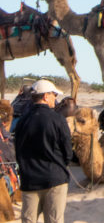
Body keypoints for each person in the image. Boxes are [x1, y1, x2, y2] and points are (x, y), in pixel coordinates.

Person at [13, 79, 72, 223]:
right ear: (46, 96)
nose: (55, 98)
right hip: (55, 179)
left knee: (28, 220)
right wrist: (61, 164)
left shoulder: (22, 121)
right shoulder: (58, 119)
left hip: (30, 181)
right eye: (54, 95)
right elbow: (68, 152)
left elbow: (17, 149)